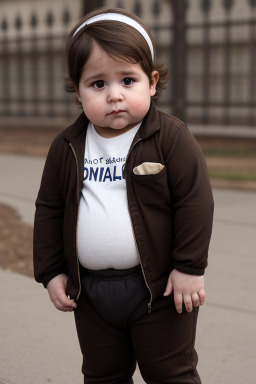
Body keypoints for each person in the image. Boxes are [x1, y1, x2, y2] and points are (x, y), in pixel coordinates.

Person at [33, 7, 214, 384]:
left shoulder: (169, 138)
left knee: (170, 373)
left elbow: (194, 201)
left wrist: (189, 267)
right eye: (98, 84)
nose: (114, 95)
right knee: (102, 375)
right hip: (91, 294)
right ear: (77, 91)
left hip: (161, 290)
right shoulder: (67, 146)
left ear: (151, 82)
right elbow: (49, 208)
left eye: (127, 80)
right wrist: (51, 271)